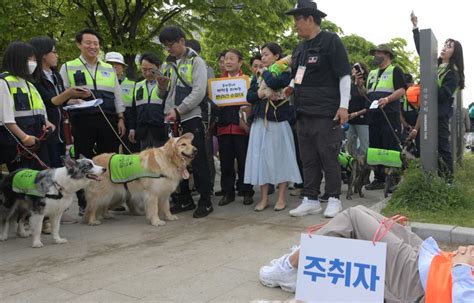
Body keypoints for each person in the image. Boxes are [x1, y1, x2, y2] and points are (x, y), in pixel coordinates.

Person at [258, 205, 474, 301]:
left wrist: (462, 267)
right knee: (361, 212)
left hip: (423, 283)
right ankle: (307, 265)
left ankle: (292, 265)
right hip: (435, 263)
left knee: (352, 218)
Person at [285, 1, 351, 218]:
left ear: (310, 19)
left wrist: (343, 106)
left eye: (298, 20)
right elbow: (299, 75)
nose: (295, 25)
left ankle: (333, 198)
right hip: (303, 112)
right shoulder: (299, 48)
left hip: (326, 111)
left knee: (328, 155)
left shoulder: (331, 41)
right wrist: (290, 88)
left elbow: (344, 75)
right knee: (308, 157)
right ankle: (310, 198)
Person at [59, 28, 126, 215]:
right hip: (82, 120)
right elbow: (62, 95)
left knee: (109, 160)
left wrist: (121, 117)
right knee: (83, 160)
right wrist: (70, 99)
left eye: (96, 43)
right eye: (88, 43)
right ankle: (84, 204)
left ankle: (109, 201)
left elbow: (118, 95)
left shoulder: (108, 68)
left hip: (108, 119)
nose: (93, 47)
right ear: (79, 45)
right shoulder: (68, 67)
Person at [29, 36, 91, 224]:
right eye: (53, 52)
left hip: (61, 129)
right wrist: (69, 93)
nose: (56, 55)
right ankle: (44, 217)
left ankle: (56, 212)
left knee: (57, 167)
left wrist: (75, 99)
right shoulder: (35, 78)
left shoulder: (54, 75)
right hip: (44, 129)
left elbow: (60, 100)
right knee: (46, 171)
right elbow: (50, 101)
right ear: (42, 55)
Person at [158, 25, 213, 218]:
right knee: (175, 161)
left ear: (182, 41)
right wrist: (161, 88)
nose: (168, 49)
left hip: (191, 117)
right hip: (172, 118)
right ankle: (185, 200)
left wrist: (179, 110)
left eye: (170, 44)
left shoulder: (197, 62)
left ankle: (205, 202)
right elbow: (163, 94)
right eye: (165, 46)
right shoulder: (167, 64)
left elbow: (199, 92)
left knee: (197, 160)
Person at [245, 42, 302, 212]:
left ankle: (282, 197)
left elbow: (276, 84)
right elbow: (250, 97)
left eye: (266, 54)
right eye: (262, 55)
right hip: (260, 121)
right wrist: (260, 94)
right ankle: (263, 198)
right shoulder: (257, 75)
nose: (263, 58)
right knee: (261, 159)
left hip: (279, 122)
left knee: (281, 158)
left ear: (277, 56)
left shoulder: (285, 71)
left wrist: (265, 72)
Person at [409, 14, 465, 182]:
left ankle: (448, 181)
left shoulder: (452, 73)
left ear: (455, 53)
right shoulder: (436, 64)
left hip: (439, 115)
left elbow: (443, 95)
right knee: (426, 147)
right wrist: (415, 28)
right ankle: (430, 178)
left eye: (450, 46)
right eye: (445, 44)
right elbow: (423, 51)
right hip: (427, 112)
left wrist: (428, 84)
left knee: (442, 147)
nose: (445, 47)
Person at [0, 41, 55, 172]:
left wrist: (47, 124)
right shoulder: (4, 82)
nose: (33, 63)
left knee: (42, 177)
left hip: (37, 141)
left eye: (35, 59)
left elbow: (40, 111)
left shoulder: (29, 84)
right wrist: (25, 138)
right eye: (30, 59)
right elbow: (6, 119)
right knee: (24, 182)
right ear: (18, 58)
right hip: (17, 144)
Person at [364, 44, 406, 191]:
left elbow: (402, 89)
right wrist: (358, 85)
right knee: (375, 148)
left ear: (387, 54)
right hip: (374, 116)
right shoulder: (372, 73)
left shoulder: (395, 70)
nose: (375, 55)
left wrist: (387, 99)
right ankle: (378, 179)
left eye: (378, 53)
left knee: (390, 147)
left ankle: (393, 179)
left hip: (389, 115)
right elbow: (367, 93)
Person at [216, 49, 254, 207]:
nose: (228, 62)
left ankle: (247, 191)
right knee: (225, 162)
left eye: (232, 59)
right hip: (224, 128)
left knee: (245, 160)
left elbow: (253, 103)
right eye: (226, 59)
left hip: (241, 128)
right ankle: (227, 192)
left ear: (240, 62)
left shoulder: (248, 81)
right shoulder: (217, 83)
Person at [128, 52, 168, 150]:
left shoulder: (166, 84)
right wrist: (132, 128)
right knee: (145, 162)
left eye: (150, 70)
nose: (147, 73)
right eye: (144, 70)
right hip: (143, 133)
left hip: (161, 131)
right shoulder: (138, 86)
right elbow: (134, 110)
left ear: (158, 67)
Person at [105, 51, 139, 153]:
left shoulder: (133, 84)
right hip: (109, 118)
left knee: (129, 151)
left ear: (123, 67)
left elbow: (135, 108)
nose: (114, 67)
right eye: (110, 64)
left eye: (117, 65)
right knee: (110, 151)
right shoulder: (102, 84)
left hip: (128, 119)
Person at [347, 62, 370, 158]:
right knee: (350, 145)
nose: (353, 69)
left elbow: (368, 105)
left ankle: (363, 167)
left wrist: (356, 113)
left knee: (364, 147)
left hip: (362, 120)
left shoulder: (366, 85)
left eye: (356, 68)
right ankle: (354, 165)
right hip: (350, 120)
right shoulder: (351, 85)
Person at [400, 73, 420, 157]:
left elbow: (422, 112)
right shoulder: (402, 93)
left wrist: (415, 129)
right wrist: (407, 126)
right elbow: (399, 112)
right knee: (403, 143)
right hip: (407, 125)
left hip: (418, 125)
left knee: (420, 147)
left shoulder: (417, 92)